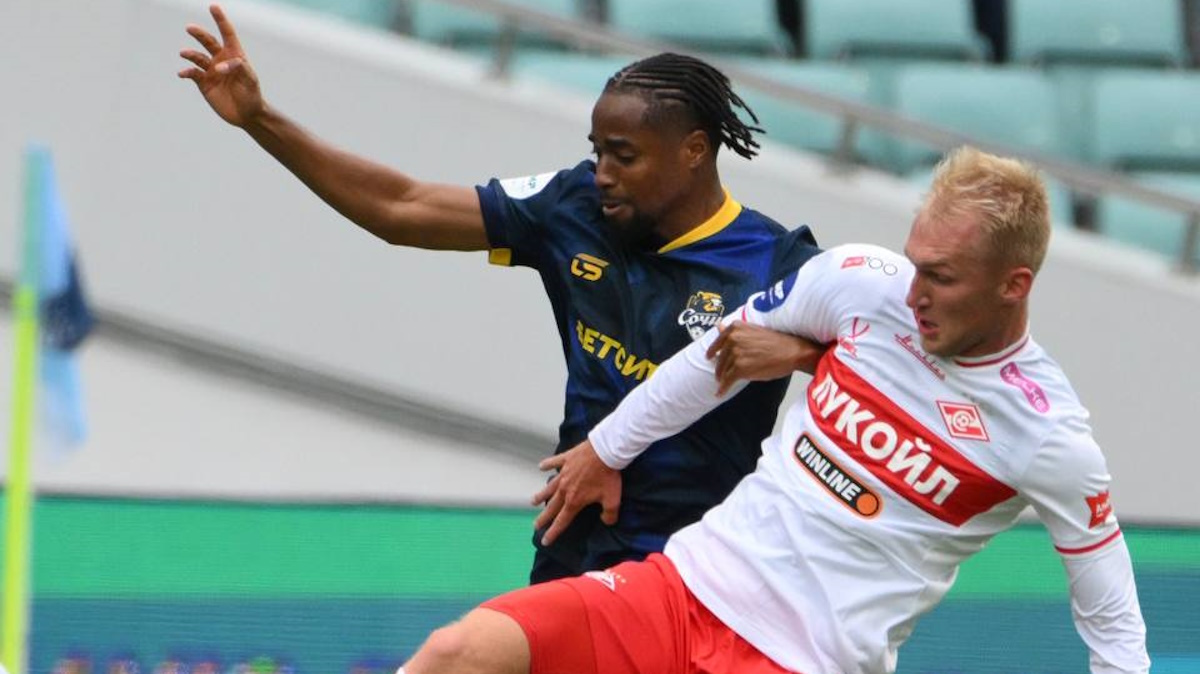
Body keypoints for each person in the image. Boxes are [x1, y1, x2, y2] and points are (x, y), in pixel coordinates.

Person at [397, 147, 1151, 674]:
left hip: (805, 660)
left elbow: (1111, 618)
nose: (914, 291)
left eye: (942, 278)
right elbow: (713, 358)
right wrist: (607, 449)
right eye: (915, 262)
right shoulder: (861, 282)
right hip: (682, 590)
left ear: (1014, 285)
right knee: (460, 654)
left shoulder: (1047, 433)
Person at [178, 5, 824, 583]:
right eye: (597, 152)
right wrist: (261, 120)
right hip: (577, 536)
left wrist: (800, 353)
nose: (602, 174)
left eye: (624, 156)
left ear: (694, 150)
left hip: (694, 568)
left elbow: (881, 357)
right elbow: (401, 207)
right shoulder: (573, 207)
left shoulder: (777, 263)